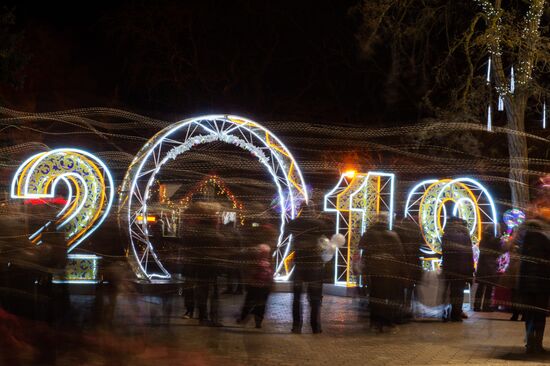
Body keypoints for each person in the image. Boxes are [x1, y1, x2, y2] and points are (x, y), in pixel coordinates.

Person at [286, 203, 332, 334]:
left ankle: (296, 326)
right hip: (315, 264)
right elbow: (328, 237)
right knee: (315, 298)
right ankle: (315, 327)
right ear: (312, 210)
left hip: (299, 263)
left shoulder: (294, 223)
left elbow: (287, 233)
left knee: (296, 298)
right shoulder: (319, 224)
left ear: (301, 210)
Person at [359, 215, 406, 332]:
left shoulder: (369, 234)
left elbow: (363, 251)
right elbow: (400, 255)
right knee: (389, 296)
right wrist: (402, 271)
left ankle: (375, 322)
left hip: (375, 271)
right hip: (391, 270)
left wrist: (365, 270)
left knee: (375, 295)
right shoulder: (392, 235)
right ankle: (387, 321)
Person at [517, 203, 550, 354]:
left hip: (526, 281)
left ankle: (530, 342)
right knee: (540, 314)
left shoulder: (525, 237)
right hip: (542, 281)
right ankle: (537, 343)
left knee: (529, 313)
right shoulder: (545, 237)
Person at [440, 217, 474, 322]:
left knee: (446, 292)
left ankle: (445, 313)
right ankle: (455, 315)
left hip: (449, 268)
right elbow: (469, 255)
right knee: (458, 292)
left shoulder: (445, 236)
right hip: (461, 269)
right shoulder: (465, 237)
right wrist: (470, 270)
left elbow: (444, 253)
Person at [238, 244, 273, 328]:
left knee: (254, 303)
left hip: (257, 286)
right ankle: (255, 321)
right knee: (258, 304)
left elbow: (250, 273)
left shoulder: (257, 262)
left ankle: (248, 318)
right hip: (260, 286)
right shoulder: (263, 262)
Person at [394, 218, 423, 320]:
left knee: (401, 286)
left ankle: (401, 308)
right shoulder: (417, 229)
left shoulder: (398, 229)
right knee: (411, 286)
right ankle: (409, 307)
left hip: (403, 261)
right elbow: (421, 245)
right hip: (413, 262)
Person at [474, 226, 502, 312]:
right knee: (489, 287)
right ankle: (486, 306)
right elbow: (499, 252)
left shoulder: (483, 240)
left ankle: (477, 306)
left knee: (480, 287)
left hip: (482, 266)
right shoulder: (495, 241)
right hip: (491, 266)